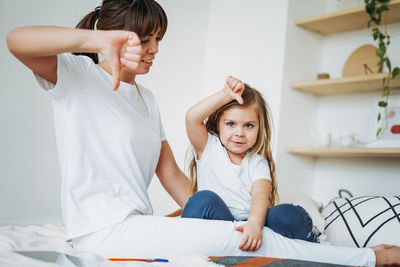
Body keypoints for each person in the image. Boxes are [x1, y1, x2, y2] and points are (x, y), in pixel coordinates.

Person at [6, 0, 400, 266]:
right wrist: (95, 42)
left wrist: (215, 218)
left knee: (238, 235)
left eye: (158, 39)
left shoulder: (148, 99)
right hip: (100, 230)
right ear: (114, 38)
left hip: (135, 223)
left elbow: (171, 174)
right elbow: (16, 40)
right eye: (144, 40)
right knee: (248, 240)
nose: (154, 49)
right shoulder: (79, 77)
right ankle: (373, 258)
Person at [181, 76, 318, 252]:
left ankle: (314, 243)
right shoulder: (209, 147)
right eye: (231, 124)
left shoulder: (257, 162)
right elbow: (192, 118)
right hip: (222, 223)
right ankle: (182, 254)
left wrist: (254, 225)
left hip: (252, 222)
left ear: (260, 127)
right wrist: (224, 95)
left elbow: (261, 193)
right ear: (218, 124)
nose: (239, 133)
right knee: (202, 200)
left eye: (249, 126)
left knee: (289, 214)